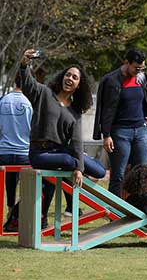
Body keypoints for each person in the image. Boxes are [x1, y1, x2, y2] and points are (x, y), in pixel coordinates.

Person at [8, 49, 106, 229]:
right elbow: (28, 82)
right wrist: (24, 63)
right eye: (68, 75)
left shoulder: (75, 112)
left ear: (79, 85)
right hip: (40, 153)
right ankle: (70, 202)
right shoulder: (44, 94)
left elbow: (76, 141)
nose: (70, 78)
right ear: (62, 77)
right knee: (72, 160)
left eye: (75, 78)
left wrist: (79, 167)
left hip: (61, 151)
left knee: (99, 170)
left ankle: (72, 176)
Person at [93, 49, 147, 197]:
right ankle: (115, 210)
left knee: (144, 173)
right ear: (126, 63)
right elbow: (106, 109)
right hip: (120, 132)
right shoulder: (111, 80)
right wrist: (106, 134)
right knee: (118, 175)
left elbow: (145, 100)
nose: (139, 71)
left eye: (142, 68)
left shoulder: (142, 78)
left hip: (140, 130)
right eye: (136, 68)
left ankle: (142, 209)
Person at [0, 75, 32, 218]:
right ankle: (20, 213)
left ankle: (10, 208)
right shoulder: (30, 102)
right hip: (24, 151)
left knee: (9, 182)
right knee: (27, 186)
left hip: (4, 150)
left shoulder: (3, 100)